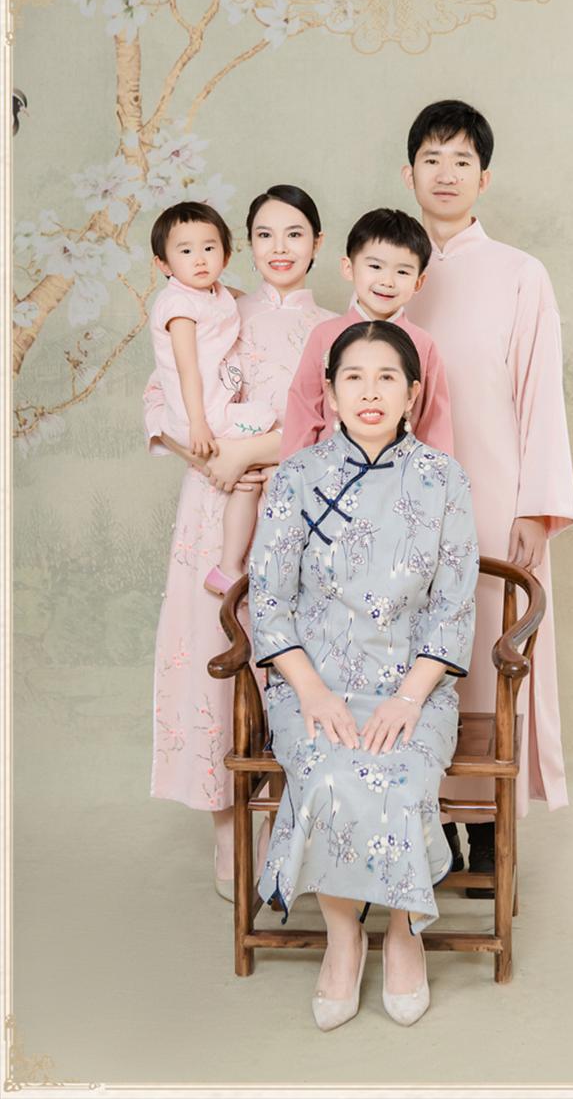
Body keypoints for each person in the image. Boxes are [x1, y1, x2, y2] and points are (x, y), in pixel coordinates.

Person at [250, 320, 478, 1030]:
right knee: (325, 774)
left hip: (416, 688)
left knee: (402, 779)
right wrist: (312, 691)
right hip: (312, 683)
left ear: (414, 393)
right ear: (330, 391)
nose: (370, 392)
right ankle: (344, 936)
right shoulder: (295, 477)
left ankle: (405, 930)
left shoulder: (444, 479)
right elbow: (268, 599)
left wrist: (409, 698)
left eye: (387, 378)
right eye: (353, 377)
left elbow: (454, 605)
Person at [401, 99, 573, 892]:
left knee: (486, 650)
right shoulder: (391, 266)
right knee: (409, 648)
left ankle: (486, 822)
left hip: (494, 491)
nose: (446, 174)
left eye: (461, 161)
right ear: (409, 173)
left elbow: (542, 396)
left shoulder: (518, 273)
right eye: (431, 159)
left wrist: (536, 506)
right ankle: (421, 817)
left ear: (484, 178)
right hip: (401, 503)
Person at [143, 186, 336, 899]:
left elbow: (337, 426)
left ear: (318, 244)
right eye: (265, 234)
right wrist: (208, 459)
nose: (280, 248)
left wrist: (251, 450)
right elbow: (160, 398)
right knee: (216, 666)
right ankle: (229, 840)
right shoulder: (216, 307)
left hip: (301, 511)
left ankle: (292, 837)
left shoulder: (335, 328)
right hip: (214, 504)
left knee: (293, 668)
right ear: (246, 246)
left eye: (295, 233)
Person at [147, 201, 278, 597]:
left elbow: (233, 300)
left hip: (210, 411)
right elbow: (187, 369)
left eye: (209, 248)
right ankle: (230, 566)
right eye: (185, 251)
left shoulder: (214, 292)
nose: (200, 259)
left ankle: (229, 566)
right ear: (163, 264)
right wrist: (199, 423)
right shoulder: (178, 306)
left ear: (226, 254)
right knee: (268, 422)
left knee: (247, 482)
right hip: (199, 414)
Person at [280, 207, 454, 458]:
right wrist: (293, 473)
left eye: (402, 271)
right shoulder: (324, 335)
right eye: (375, 266)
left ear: (418, 282)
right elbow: (303, 411)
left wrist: (438, 476)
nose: (387, 281)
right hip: (329, 472)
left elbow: (435, 422)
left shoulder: (423, 344)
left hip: (402, 474)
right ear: (348, 268)